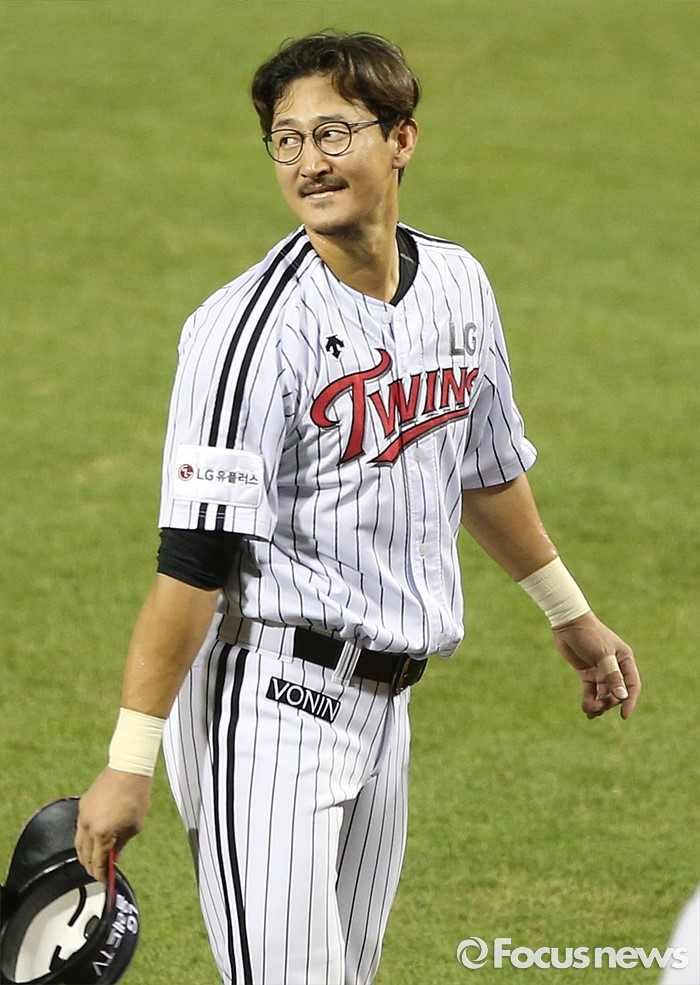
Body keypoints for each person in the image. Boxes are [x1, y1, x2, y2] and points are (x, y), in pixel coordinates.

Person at [75, 31, 641, 985]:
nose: (309, 162)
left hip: (388, 708)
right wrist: (129, 758)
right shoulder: (247, 335)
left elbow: (483, 468)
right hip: (267, 708)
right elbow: (193, 562)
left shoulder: (457, 284)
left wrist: (570, 615)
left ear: (401, 138)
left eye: (334, 133)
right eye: (287, 140)